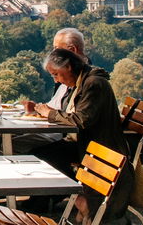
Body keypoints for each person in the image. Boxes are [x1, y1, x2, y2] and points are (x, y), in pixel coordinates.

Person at [33, 47, 134, 223]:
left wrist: (49, 113)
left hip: (99, 148)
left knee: (44, 157)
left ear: (69, 67)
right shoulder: (84, 81)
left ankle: (79, 199)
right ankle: (74, 198)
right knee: (42, 154)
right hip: (89, 144)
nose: (56, 80)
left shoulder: (93, 84)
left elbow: (81, 120)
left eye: (56, 74)